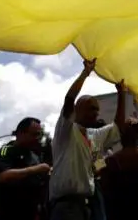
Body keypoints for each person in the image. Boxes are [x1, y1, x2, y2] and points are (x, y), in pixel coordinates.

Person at [49, 58, 126, 220]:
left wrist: (122, 95)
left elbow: (118, 126)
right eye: (91, 109)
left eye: (97, 110)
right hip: (66, 207)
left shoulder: (95, 136)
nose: (96, 113)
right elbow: (69, 99)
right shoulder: (66, 131)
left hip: (87, 205)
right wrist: (85, 73)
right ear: (77, 109)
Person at [0, 117, 51, 220]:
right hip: (0, 214)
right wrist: (35, 169)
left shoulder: (35, 157)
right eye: (34, 134)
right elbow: (3, 176)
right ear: (21, 133)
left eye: (39, 134)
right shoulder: (6, 151)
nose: (37, 138)